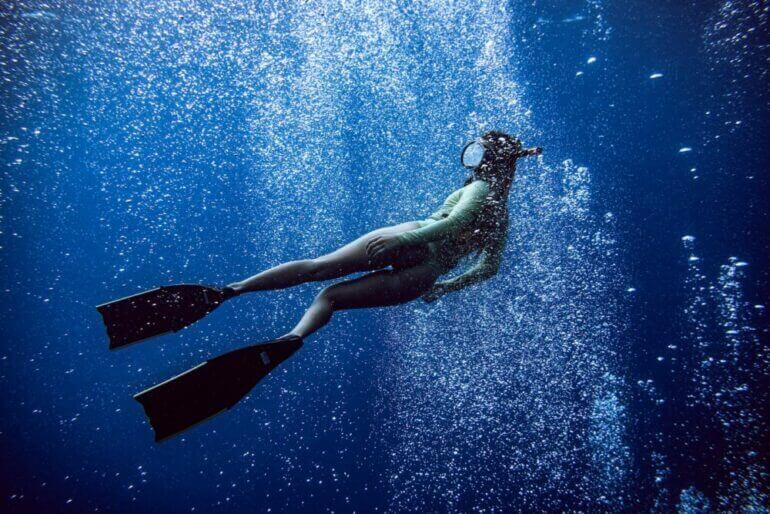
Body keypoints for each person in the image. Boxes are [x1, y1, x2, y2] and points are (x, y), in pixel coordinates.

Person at [224, 131, 542, 340]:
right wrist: (445, 287)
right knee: (330, 298)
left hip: (415, 239)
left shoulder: (479, 187)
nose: (471, 161)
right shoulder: (502, 214)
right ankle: (291, 340)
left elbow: (454, 223)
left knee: (316, 268)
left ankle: (233, 289)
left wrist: (401, 241)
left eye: (477, 152)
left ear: (488, 159)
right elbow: (490, 267)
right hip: (425, 275)